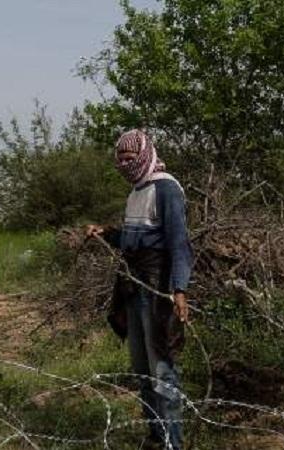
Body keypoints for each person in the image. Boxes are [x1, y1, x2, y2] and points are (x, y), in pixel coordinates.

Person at [85, 129, 192, 449]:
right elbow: (133, 239)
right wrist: (106, 233)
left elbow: (179, 244)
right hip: (132, 288)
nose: (124, 164)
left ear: (145, 156)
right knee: (142, 370)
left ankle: (173, 443)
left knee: (162, 369)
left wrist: (179, 289)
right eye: (120, 159)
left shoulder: (166, 189)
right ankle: (155, 436)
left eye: (130, 158)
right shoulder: (136, 192)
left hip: (156, 290)